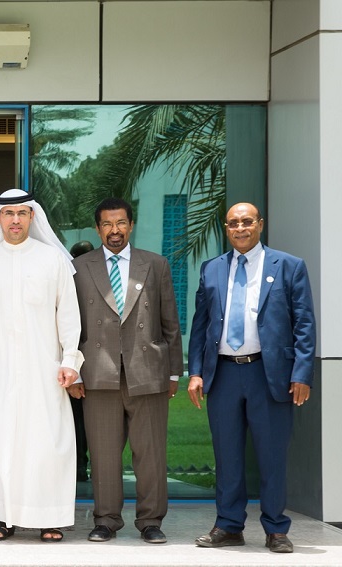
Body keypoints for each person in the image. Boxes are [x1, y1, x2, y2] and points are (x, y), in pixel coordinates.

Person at [188, 202, 315, 554]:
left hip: (269, 374)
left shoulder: (288, 266)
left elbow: (304, 323)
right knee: (227, 455)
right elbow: (200, 325)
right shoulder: (212, 268)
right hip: (224, 373)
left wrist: (302, 372)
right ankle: (229, 526)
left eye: (247, 222)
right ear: (226, 228)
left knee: (272, 456)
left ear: (260, 224)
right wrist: (195, 371)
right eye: (233, 223)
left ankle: (276, 529)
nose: (240, 228)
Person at [0, 189, 83, 543]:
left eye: (21, 213)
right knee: (4, 444)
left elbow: (68, 315)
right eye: (9, 214)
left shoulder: (52, 259)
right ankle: (5, 517)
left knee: (47, 444)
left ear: (32, 217)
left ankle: (51, 518)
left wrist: (70, 360)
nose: (15, 220)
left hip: (45, 370)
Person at [68, 198, 182, 544]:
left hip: (147, 371)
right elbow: (70, 324)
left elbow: (170, 322)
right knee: (103, 454)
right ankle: (105, 520)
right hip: (98, 372)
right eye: (107, 224)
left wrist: (173, 372)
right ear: (97, 228)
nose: (114, 231)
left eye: (120, 223)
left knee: (150, 452)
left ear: (131, 225)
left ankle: (151, 521)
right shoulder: (79, 267)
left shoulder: (156, 264)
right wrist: (73, 371)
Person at [68, 240, 95, 483]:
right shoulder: (68, 283)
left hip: (95, 363)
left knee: (87, 420)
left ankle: (83, 465)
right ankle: (79, 465)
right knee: (76, 419)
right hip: (73, 363)